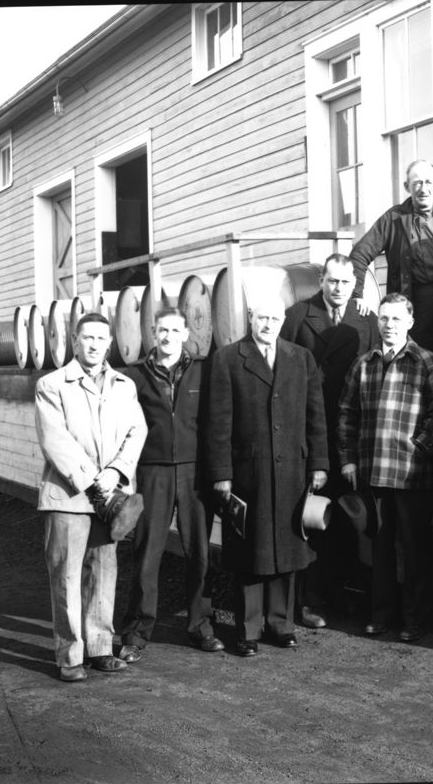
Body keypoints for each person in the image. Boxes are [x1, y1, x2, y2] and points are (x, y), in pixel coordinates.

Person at [206, 296, 329, 656]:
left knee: (287, 550)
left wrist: (319, 462)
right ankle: (247, 631)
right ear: (250, 317)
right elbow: (218, 423)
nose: (268, 324)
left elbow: (315, 415)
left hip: (292, 468)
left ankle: (281, 624)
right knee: (250, 552)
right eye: (262, 317)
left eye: (275, 318)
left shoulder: (300, 357)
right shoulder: (228, 358)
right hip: (249, 472)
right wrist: (222, 473)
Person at [34, 312, 148, 682]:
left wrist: (117, 472)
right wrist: (95, 482)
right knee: (66, 575)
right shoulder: (51, 385)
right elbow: (56, 441)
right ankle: (70, 656)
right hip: (69, 495)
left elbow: (137, 430)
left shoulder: (123, 385)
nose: (94, 345)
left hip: (110, 493)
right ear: (74, 340)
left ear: (110, 342)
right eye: (87, 338)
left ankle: (100, 648)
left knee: (103, 571)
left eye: (101, 338)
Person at [337, 293, 433, 643]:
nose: (389, 326)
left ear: (410, 322)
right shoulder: (364, 363)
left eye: (397, 319)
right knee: (380, 549)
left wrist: (419, 448)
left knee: (415, 550)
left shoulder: (427, 362)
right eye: (384, 319)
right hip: (373, 470)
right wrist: (348, 459)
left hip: (412, 473)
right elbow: (346, 413)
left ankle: (415, 619)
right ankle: (381, 615)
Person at [279, 254, 380, 627]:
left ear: (354, 283)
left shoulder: (366, 317)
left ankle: (342, 594)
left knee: (346, 515)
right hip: (309, 428)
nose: (339, 289)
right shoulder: (297, 316)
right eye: (333, 281)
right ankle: (309, 599)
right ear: (321, 280)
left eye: (346, 282)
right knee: (310, 514)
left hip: (351, 432)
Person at [118, 308, 221, 663]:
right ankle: (136, 631)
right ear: (153, 332)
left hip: (195, 473)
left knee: (199, 552)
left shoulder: (203, 371)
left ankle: (201, 626)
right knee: (147, 552)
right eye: (162, 330)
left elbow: (214, 423)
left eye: (175, 330)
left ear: (185, 332)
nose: (168, 337)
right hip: (152, 472)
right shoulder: (134, 376)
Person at [349, 160, 433, 380]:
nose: (423, 188)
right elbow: (359, 254)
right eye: (417, 183)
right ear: (407, 187)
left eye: (428, 182)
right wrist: (357, 295)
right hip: (412, 307)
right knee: (417, 368)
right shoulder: (393, 219)